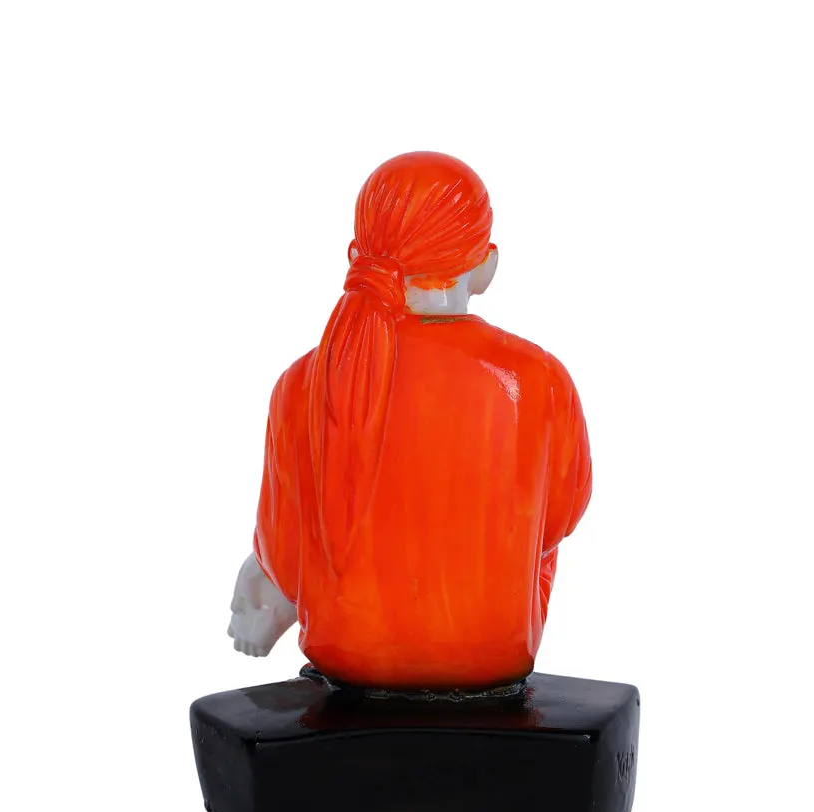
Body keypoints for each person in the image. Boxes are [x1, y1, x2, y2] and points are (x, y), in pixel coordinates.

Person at [228, 151, 592, 690]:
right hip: (494, 652)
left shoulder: (303, 383)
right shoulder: (538, 377)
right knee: (533, 535)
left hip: (347, 653)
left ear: (358, 255)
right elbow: (560, 516)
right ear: (485, 265)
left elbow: (283, 555)